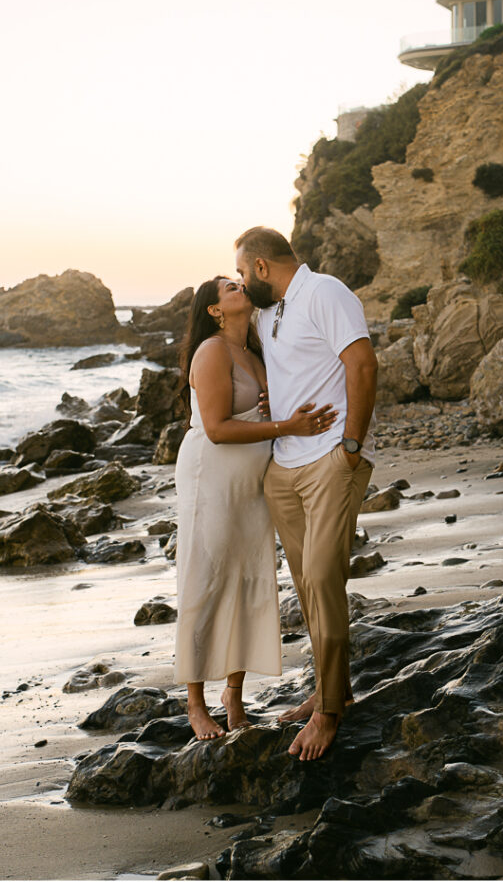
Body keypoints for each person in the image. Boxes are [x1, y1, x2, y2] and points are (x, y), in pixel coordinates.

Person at [234, 227, 378, 761]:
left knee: (322, 577)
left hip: (328, 463)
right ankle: (327, 687)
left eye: (242, 274)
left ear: (262, 267)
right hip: (283, 470)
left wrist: (352, 443)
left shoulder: (326, 293)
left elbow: (362, 364)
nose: (241, 283)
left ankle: (329, 713)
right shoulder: (268, 313)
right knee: (307, 585)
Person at [174, 276, 338, 740]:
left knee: (250, 577)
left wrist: (287, 413)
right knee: (205, 580)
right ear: (214, 309)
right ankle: (195, 703)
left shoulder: (255, 349)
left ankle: (234, 695)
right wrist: (289, 426)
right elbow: (218, 428)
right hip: (213, 474)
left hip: (253, 479)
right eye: (228, 286)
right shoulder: (212, 352)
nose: (238, 284)